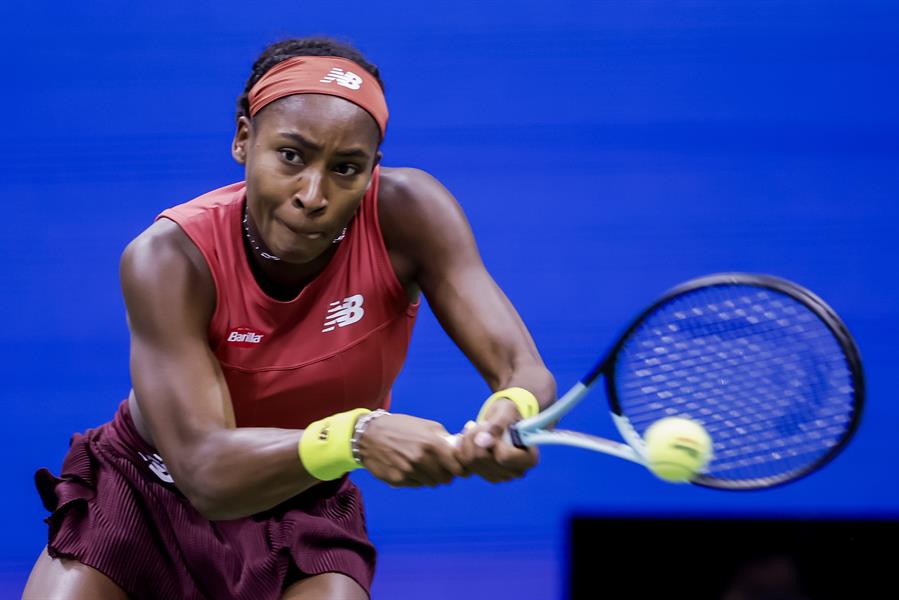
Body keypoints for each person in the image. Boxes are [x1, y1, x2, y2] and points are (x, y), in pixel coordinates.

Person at [22, 37, 556, 600]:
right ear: (244, 138)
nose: (313, 194)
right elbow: (205, 473)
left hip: (302, 502)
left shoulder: (409, 214)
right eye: (292, 156)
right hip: (144, 493)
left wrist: (509, 415)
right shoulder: (168, 258)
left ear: (373, 170)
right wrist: (358, 435)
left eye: (346, 168)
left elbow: (523, 369)